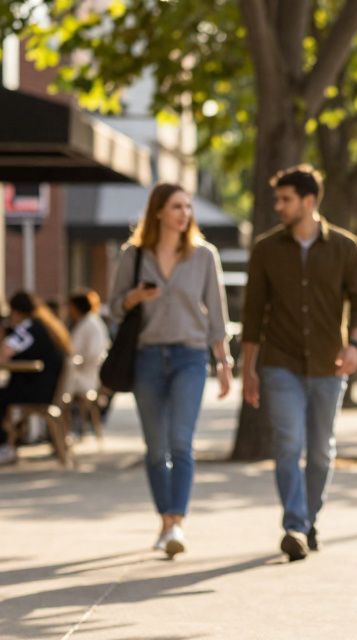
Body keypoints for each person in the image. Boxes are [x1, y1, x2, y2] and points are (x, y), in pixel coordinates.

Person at [241, 165, 357, 562]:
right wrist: (248, 369)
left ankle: (308, 518)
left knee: (319, 453)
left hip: (329, 364)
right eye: (277, 199)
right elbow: (252, 313)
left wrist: (356, 344)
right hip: (279, 363)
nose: (278, 206)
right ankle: (294, 525)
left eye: (286, 199)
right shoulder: (265, 249)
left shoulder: (345, 247)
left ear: (309, 201)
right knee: (288, 445)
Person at [109, 183, 232, 558]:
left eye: (188, 207)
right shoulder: (134, 255)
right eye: (177, 206)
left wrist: (224, 361)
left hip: (190, 357)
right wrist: (135, 297)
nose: (184, 213)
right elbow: (115, 307)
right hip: (147, 356)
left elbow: (217, 313)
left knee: (181, 442)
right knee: (154, 447)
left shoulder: (203, 256)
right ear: (159, 211)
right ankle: (164, 519)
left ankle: (177, 521)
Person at [0, 292, 71, 466]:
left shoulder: (28, 327)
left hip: (35, 390)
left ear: (15, 311)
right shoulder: (46, 325)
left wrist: (2, 329)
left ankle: (0, 445)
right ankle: (1, 442)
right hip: (46, 388)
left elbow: (3, 353)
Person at [65, 289, 109, 399]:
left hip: (84, 376)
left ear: (76, 307)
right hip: (88, 374)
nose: (68, 310)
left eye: (70, 306)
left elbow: (91, 353)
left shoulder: (88, 323)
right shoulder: (92, 321)